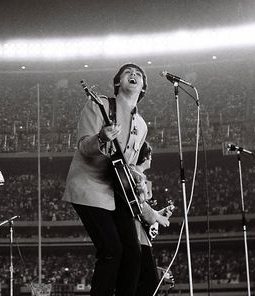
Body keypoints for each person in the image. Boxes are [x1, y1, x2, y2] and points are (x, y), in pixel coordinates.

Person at [63, 63, 163, 296]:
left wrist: (137, 179)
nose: (134, 75)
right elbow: (83, 147)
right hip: (89, 185)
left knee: (134, 252)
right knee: (111, 250)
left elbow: (129, 165)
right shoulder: (100, 105)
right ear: (118, 82)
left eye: (139, 74)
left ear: (143, 88)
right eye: (128, 72)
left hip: (118, 190)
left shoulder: (142, 125)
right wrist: (100, 137)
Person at [131, 141, 172, 296]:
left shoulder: (143, 178)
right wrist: (156, 217)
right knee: (149, 282)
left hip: (142, 236)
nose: (151, 159)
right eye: (150, 155)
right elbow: (139, 207)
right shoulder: (136, 175)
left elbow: (144, 209)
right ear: (145, 156)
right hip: (137, 237)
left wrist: (158, 213)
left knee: (143, 281)